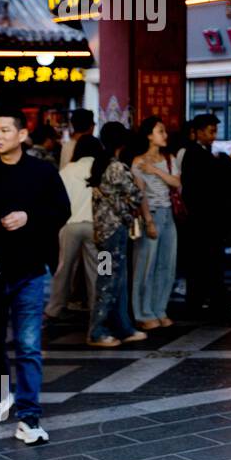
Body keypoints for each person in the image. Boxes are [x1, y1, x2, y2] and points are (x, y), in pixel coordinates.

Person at [0, 107, 71, 444]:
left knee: (29, 344)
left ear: (22, 135)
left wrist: (28, 216)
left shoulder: (42, 172)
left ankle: (29, 415)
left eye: (5, 129)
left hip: (29, 271)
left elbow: (61, 210)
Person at [88, 122, 146, 349]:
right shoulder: (117, 168)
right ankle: (97, 330)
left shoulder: (100, 165)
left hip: (102, 232)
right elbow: (135, 197)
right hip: (114, 231)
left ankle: (123, 327)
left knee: (114, 280)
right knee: (109, 281)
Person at [181, 114, 231, 318]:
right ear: (197, 132)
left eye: (215, 131)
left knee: (207, 262)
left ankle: (205, 302)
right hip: (202, 218)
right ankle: (206, 302)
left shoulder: (203, 153)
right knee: (206, 262)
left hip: (206, 218)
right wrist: (229, 161)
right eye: (210, 131)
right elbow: (212, 178)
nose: (213, 135)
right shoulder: (195, 154)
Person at [45, 135, 105, 319]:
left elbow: (56, 200)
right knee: (98, 269)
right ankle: (98, 309)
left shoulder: (67, 170)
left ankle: (54, 308)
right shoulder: (103, 167)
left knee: (64, 269)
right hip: (96, 227)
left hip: (69, 226)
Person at [130, 117, 181, 330]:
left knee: (166, 266)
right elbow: (139, 194)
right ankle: (143, 312)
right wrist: (149, 221)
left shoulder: (169, 159)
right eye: (161, 131)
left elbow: (177, 183)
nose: (165, 135)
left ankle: (160, 309)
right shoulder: (137, 162)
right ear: (149, 135)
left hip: (168, 214)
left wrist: (156, 171)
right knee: (145, 266)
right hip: (149, 215)